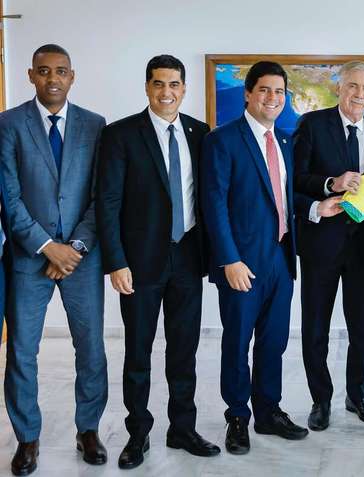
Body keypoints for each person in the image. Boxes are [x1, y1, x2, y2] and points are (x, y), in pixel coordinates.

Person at [202, 61, 340, 454]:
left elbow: (282, 197)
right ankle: (237, 417)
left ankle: (268, 410)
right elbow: (214, 204)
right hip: (242, 263)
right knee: (238, 341)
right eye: (264, 90)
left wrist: (316, 209)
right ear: (248, 94)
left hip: (281, 258)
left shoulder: (283, 141)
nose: (272, 98)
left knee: (273, 342)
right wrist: (228, 259)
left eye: (279, 92)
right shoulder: (223, 140)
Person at [97, 54, 220, 470]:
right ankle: (138, 434)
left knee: (184, 350)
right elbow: (108, 202)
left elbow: (210, 196)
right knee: (138, 352)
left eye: (174, 84)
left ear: (184, 88)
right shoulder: (121, 135)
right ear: (147, 88)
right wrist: (115, 262)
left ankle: (182, 428)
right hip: (139, 262)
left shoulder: (200, 134)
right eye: (158, 84)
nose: (166, 92)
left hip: (187, 256)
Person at [0, 44, 108, 476]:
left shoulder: (95, 126)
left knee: (92, 349)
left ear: (72, 75)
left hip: (82, 259)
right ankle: (27, 438)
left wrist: (74, 248)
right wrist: (47, 247)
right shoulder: (8, 125)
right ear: (30, 75)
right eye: (44, 71)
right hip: (29, 259)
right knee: (22, 352)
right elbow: (9, 197)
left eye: (60, 71)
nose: (52, 79)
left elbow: (103, 197)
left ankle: (89, 430)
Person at [293, 60, 364, 431]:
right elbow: (296, 179)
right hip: (321, 242)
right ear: (339, 87)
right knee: (315, 326)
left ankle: (357, 394)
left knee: (363, 327)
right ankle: (321, 400)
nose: (359, 95)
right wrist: (331, 182)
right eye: (353, 86)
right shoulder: (313, 125)